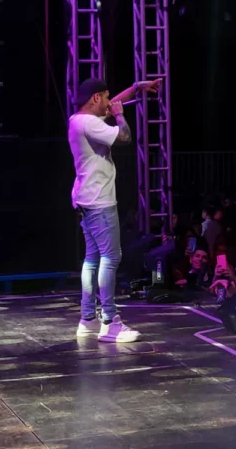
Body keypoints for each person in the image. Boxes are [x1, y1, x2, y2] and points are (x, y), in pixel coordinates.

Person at [70, 77, 161, 342]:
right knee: (111, 258)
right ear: (95, 98)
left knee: (92, 259)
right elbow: (124, 137)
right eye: (106, 97)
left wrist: (137, 87)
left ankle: (87, 318)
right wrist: (121, 117)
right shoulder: (90, 123)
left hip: (85, 198)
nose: (111, 103)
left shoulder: (77, 119)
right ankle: (110, 322)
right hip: (100, 200)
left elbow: (111, 105)